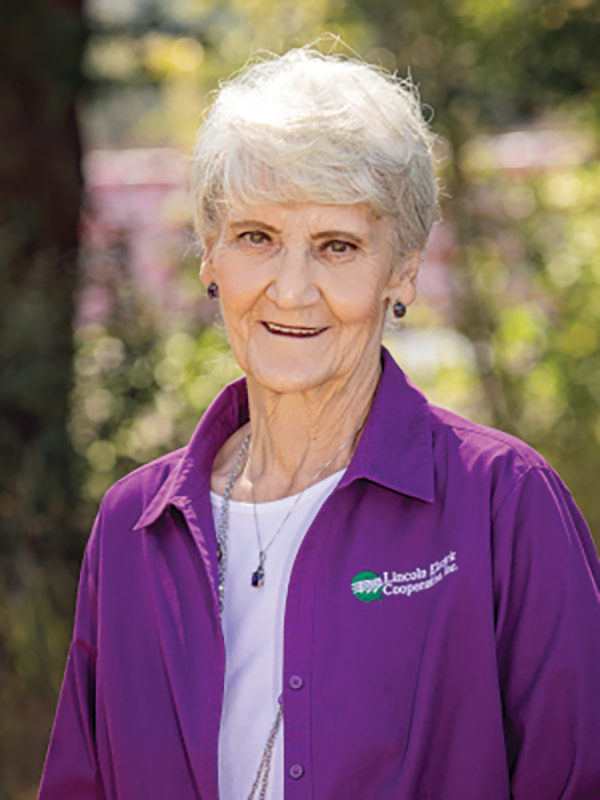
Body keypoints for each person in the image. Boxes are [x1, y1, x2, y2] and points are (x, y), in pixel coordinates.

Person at [38, 47, 600, 800]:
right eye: (256, 237)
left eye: (338, 246)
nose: (292, 290)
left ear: (402, 272)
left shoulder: (504, 501)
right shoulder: (133, 527)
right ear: (210, 258)